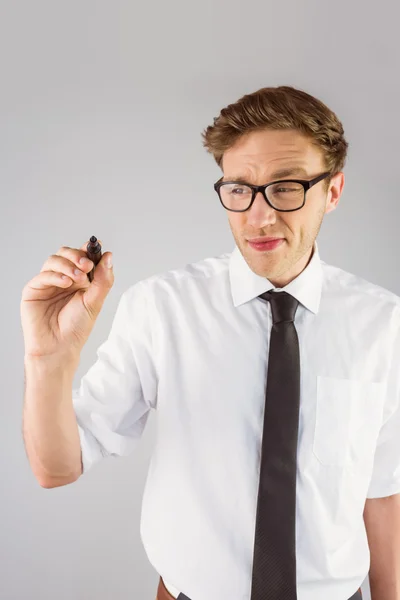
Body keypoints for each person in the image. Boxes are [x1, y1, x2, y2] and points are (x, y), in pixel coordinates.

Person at [21, 85, 400, 600]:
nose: (259, 216)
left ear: (332, 191)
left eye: (286, 187)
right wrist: (48, 361)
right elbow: (56, 467)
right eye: (240, 188)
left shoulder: (384, 324)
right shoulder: (161, 309)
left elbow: (382, 490)